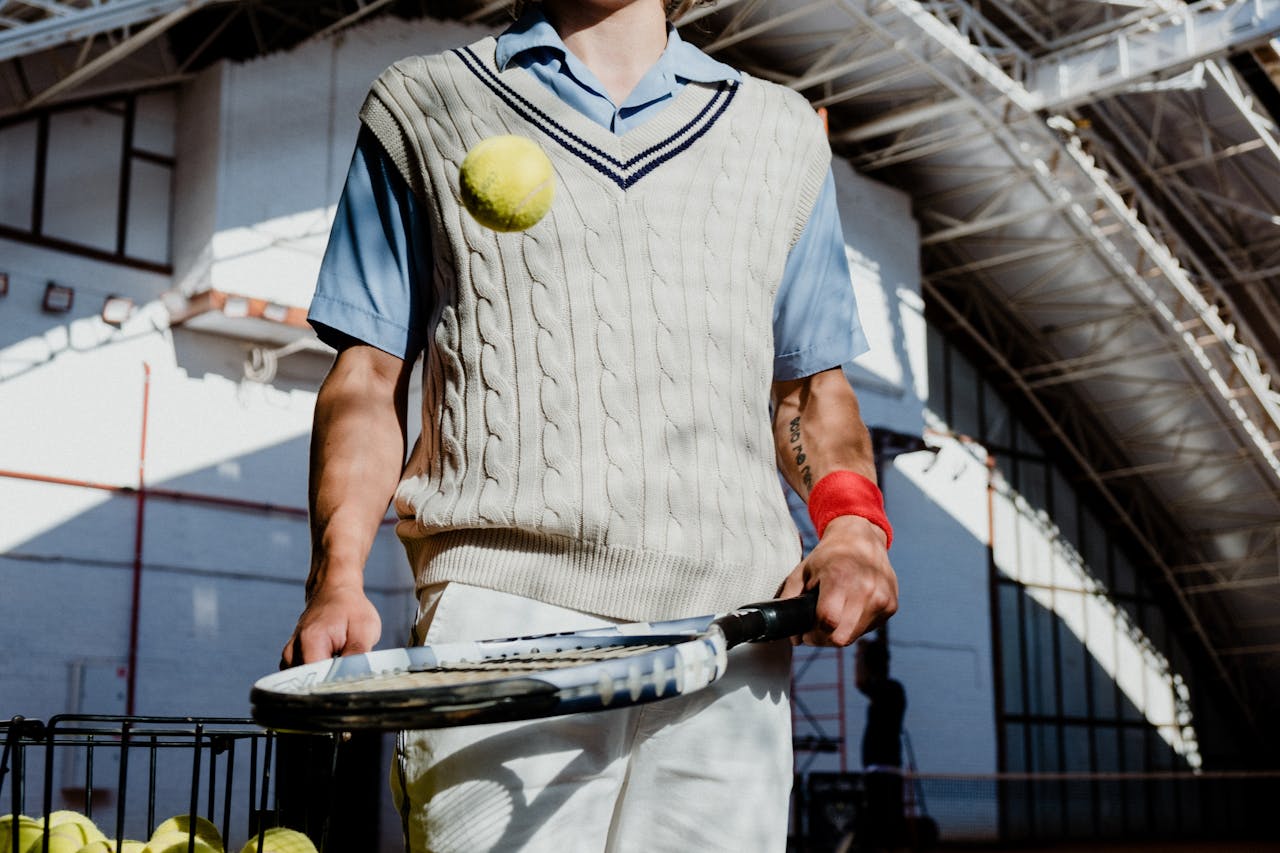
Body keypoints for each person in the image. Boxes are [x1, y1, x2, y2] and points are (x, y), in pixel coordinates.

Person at [279, 0, 899, 849]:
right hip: (500, 625)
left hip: (733, 641)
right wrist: (338, 572)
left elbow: (810, 389)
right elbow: (367, 376)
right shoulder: (422, 104)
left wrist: (855, 528)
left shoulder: (781, 134)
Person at [853, 636, 907, 852]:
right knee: (882, 830)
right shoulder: (890, 689)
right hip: (879, 771)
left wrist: (859, 656)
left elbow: (860, 682)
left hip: (884, 773)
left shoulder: (890, 689)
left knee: (883, 830)